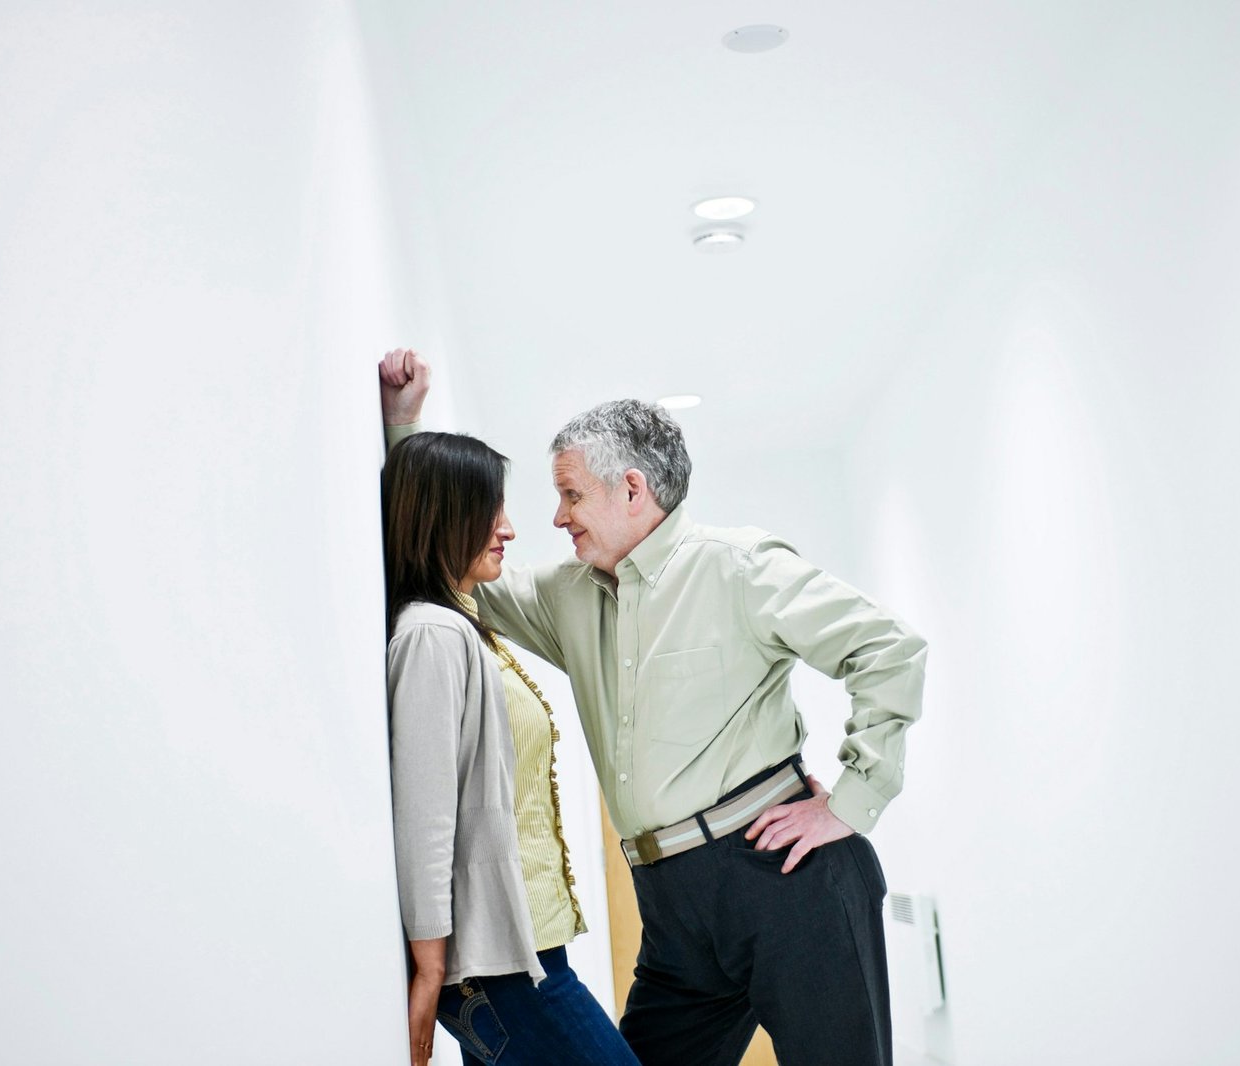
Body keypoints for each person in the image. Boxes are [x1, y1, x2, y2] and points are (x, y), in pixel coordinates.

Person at [380, 349, 927, 1066]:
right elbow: (447, 560)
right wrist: (403, 431)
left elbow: (890, 649)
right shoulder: (566, 595)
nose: (556, 517)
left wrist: (851, 802)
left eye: (571, 495)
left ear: (631, 489)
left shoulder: (737, 568)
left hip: (788, 881)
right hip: (673, 910)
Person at [383, 430, 640, 1066]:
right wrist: (429, 963)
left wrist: (403, 424)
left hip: (524, 952)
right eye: (490, 510)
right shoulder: (432, 636)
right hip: (501, 970)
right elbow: (426, 810)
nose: (509, 529)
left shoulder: (462, 621)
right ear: (446, 517)